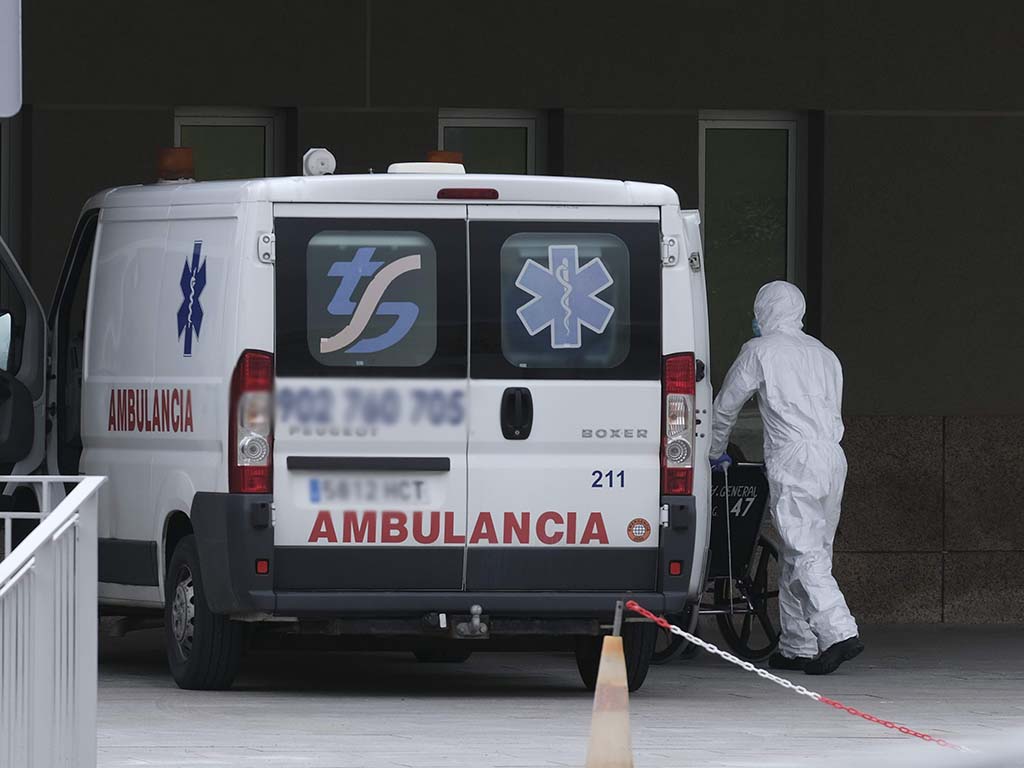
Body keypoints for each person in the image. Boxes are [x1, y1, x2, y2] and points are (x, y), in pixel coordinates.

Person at [709, 281, 863, 675]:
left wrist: (712, 452)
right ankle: (798, 644)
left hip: (794, 458)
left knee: (803, 549)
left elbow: (725, 408)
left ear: (764, 310)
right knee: (809, 550)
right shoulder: (825, 354)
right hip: (832, 457)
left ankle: (838, 631)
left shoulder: (759, 351)